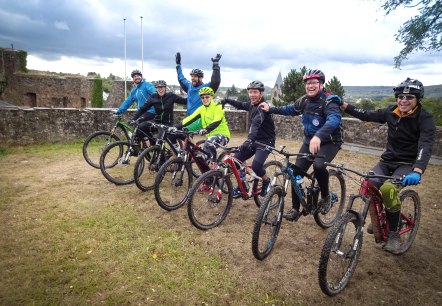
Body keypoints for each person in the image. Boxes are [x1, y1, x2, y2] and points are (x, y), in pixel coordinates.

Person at [339, 77, 436, 254]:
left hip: (407, 164)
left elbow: (426, 144)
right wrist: (344, 105)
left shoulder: (424, 118)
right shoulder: (392, 112)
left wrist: (418, 169)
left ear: (417, 99)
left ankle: (393, 233)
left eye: (409, 97)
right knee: (368, 185)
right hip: (387, 161)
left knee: (388, 190)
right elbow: (366, 114)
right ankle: (379, 219)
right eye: (400, 97)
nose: (403, 100)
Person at [259, 69, 343, 221]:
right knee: (295, 171)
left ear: (322, 84)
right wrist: (270, 108)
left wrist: (319, 135)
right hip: (309, 141)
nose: (310, 86)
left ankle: (326, 197)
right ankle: (295, 209)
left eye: (314, 83)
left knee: (318, 166)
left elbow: (333, 120)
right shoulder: (304, 100)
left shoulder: (330, 101)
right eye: (308, 83)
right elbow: (290, 109)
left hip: (330, 142)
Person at [222, 80, 275, 198]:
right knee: (236, 161)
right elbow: (240, 105)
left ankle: (266, 181)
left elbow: (255, 124)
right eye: (250, 92)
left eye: (255, 92)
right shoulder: (251, 105)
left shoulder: (262, 108)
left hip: (266, 141)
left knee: (256, 165)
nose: (252, 94)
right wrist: (226, 100)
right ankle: (243, 185)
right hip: (254, 140)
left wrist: (249, 139)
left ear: (261, 94)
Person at [176, 87, 230, 167]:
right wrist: (177, 127)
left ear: (211, 97)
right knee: (203, 161)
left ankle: (214, 165)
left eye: (207, 97)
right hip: (209, 137)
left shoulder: (217, 106)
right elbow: (190, 118)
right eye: (202, 97)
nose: (205, 99)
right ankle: (206, 176)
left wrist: (206, 130)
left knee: (210, 142)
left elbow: (217, 121)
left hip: (223, 135)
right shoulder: (201, 109)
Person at [130, 80, 187, 147]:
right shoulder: (153, 97)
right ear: (156, 89)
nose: (160, 89)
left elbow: (184, 101)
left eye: (162, 87)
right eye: (158, 88)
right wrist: (133, 119)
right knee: (140, 127)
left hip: (167, 123)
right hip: (156, 122)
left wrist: (195, 97)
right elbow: (143, 109)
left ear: (165, 88)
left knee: (159, 142)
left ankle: (161, 155)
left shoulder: (171, 96)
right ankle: (151, 144)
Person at [175, 52, 221, 131]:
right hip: (190, 118)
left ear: (200, 78)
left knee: (182, 132)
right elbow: (181, 79)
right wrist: (178, 65)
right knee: (181, 135)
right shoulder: (189, 86)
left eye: (195, 76)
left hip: (200, 118)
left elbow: (215, 81)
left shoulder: (205, 88)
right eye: (192, 76)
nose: (193, 78)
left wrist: (215, 65)